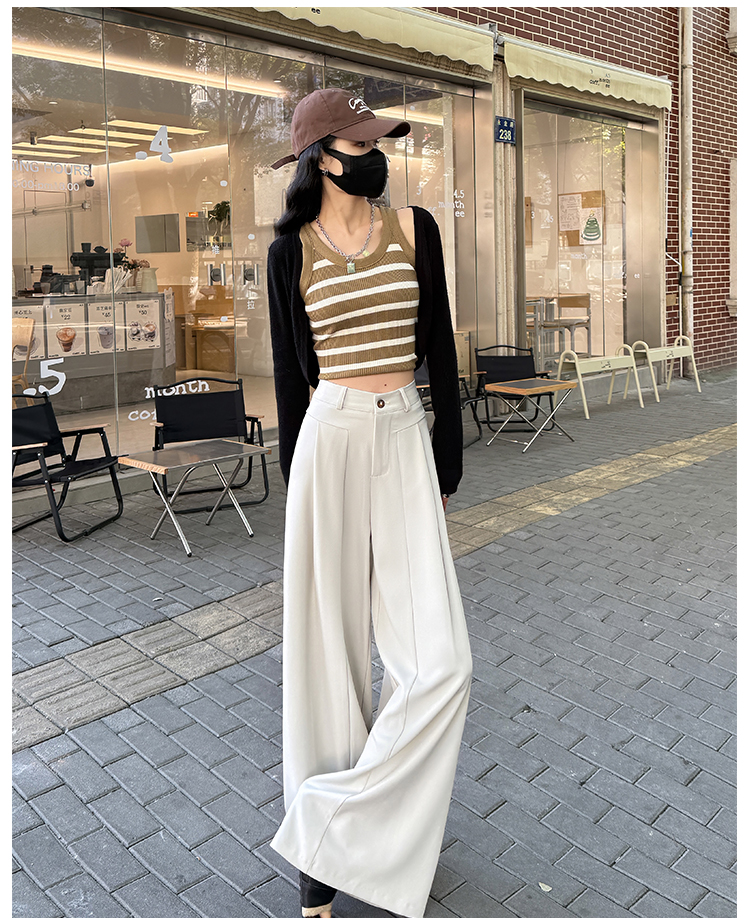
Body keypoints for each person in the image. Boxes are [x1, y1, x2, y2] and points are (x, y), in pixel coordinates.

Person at [266, 87, 473, 918]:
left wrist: (447, 463)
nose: (376, 155)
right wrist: (297, 485)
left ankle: (331, 826)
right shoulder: (288, 253)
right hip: (330, 440)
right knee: (328, 657)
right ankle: (320, 876)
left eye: (378, 141)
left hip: (405, 437)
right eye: (360, 143)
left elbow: (441, 349)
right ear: (321, 157)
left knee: (442, 664)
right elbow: (290, 380)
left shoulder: (415, 230)